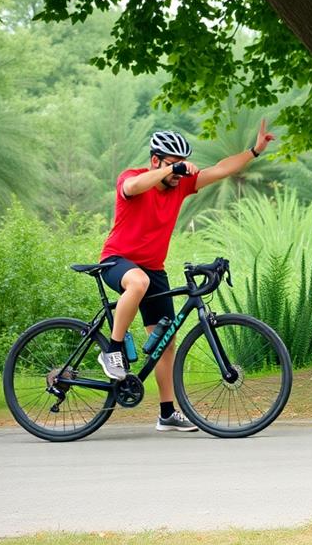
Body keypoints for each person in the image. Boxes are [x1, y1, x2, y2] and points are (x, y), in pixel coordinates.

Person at [97, 123, 274, 432]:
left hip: (154, 269)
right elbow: (135, 187)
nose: (177, 173)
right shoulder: (131, 177)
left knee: (166, 341)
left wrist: (254, 150)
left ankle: (167, 413)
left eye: (180, 166)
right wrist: (174, 168)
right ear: (155, 161)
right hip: (117, 261)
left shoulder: (179, 185)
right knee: (137, 282)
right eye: (170, 165)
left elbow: (220, 169)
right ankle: (112, 351)